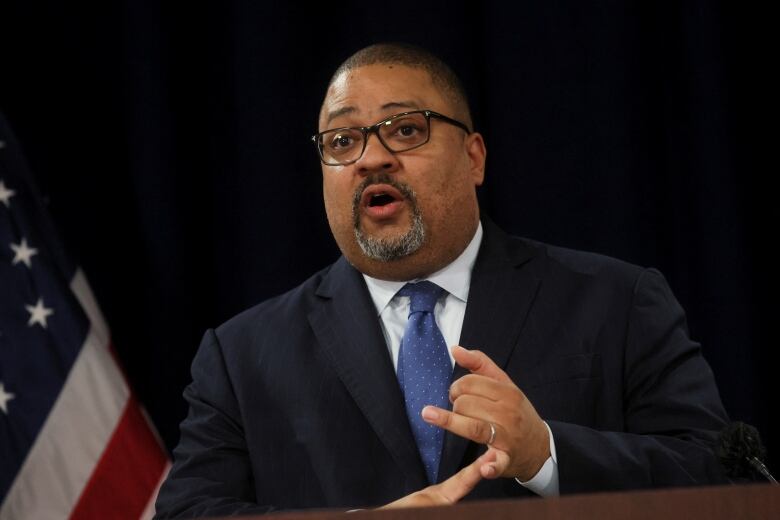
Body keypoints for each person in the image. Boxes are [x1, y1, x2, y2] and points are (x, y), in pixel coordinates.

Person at [153, 43, 729, 518]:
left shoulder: (616, 302)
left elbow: (719, 482)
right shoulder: (241, 354)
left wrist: (546, 454)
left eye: (405, 130)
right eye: (342, 141)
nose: (370, 159)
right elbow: (188, 512)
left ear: (474, 158)